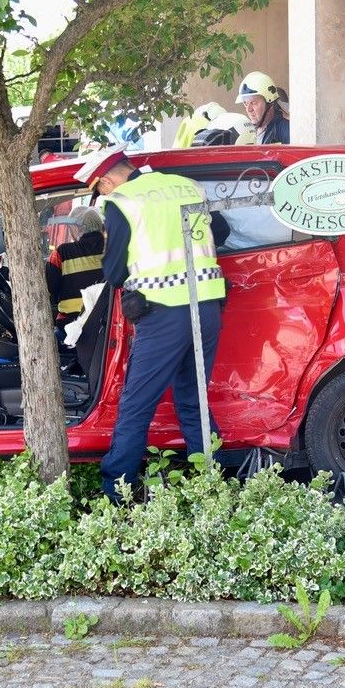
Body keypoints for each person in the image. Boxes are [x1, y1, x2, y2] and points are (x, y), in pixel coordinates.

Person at [75, 144, 227, 501]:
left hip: (163, 312)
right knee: (193, 398)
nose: (102, 195)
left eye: (100, 189)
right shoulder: (187, 186)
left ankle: (118, 490)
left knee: (137, 403)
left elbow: (112, 272)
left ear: (108, 180)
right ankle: (212, 483)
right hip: (207, 308)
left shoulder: (123, 202)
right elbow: (220, 232)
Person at [45, 206, 106, 327]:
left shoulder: (62, 253)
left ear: (75, 228)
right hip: (104, 325)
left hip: (69, 326)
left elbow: (48, 289)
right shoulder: (112, 250)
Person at [236, 71, 290, 144]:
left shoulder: (285, 130)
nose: (249, 109)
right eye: (245, 103)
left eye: (254, 103)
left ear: (270, 103)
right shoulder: (248, 130)